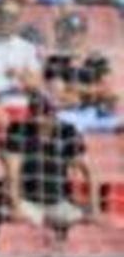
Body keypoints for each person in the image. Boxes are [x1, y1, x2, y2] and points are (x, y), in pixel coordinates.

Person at [5, 91, 95, 229]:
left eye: (44, 112)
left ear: (54, 113)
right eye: (35, 111)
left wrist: (93, 209)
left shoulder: (67, 131)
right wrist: (16, 207)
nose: (39, 117)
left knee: (86, 226)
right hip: (28, 202)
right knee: (20, 225)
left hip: (59, 202)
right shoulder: (18, 131)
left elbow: (90, 173)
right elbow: (12, 173)